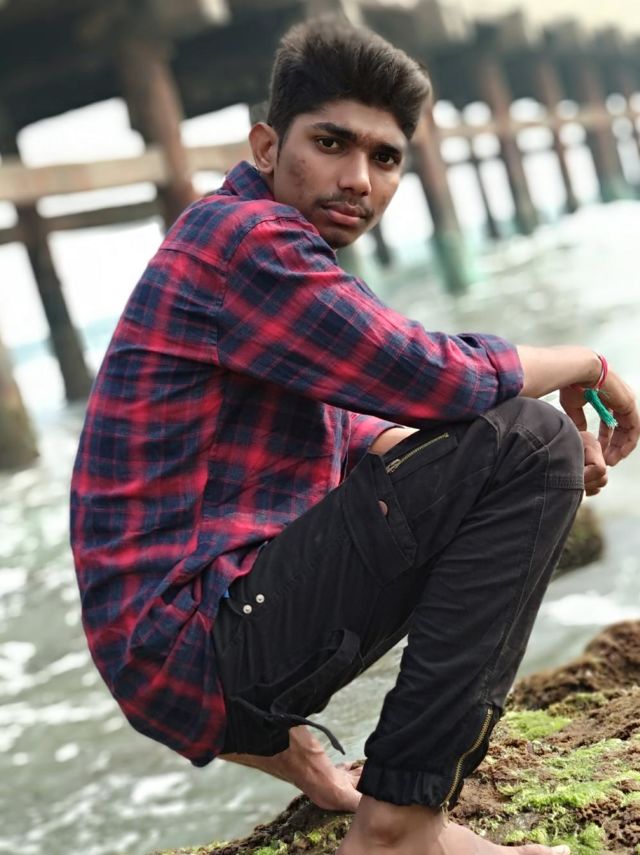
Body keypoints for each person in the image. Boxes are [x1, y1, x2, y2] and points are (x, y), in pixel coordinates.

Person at [70, 18, 639, 855]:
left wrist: (489, 470)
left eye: (386, 157)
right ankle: (399, 826)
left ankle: (300, 751)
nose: (358, 179)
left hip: (172, 654)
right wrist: (584, 365)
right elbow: (434, 373)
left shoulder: (246, 244)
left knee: (508, 443)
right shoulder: (247, 243)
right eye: (331, 143)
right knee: (532, 441)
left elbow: (367, 434)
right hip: (196, 645)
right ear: (267, 146)